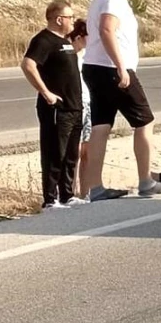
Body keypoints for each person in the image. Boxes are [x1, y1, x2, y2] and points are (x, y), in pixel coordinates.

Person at [82, 0, 161, 201]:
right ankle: (145, 180)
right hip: (111, 69)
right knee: (145, 121)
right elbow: (107, 29)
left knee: (101, 126)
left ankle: (95, 187)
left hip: (95, 67)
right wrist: (121, 67)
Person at [20, 0, 87, 210]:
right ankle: (50, 199)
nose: (73, 21)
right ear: (59, 19)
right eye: (70, 17)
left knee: (70, 154)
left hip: (74, 107)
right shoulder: (43, 40)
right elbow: (28, 65)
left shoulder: (65, 41)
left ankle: (67, 194)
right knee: (54, 151)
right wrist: (46, 92)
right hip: (57, 108)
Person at [68, 18, 93, 199]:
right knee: (74, 150)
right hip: (76, 103)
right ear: (79, 37)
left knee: (87, 150)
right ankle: (71, 190)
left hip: (89, 103)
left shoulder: (88, 55)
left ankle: (86, 191)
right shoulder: (69, 55)